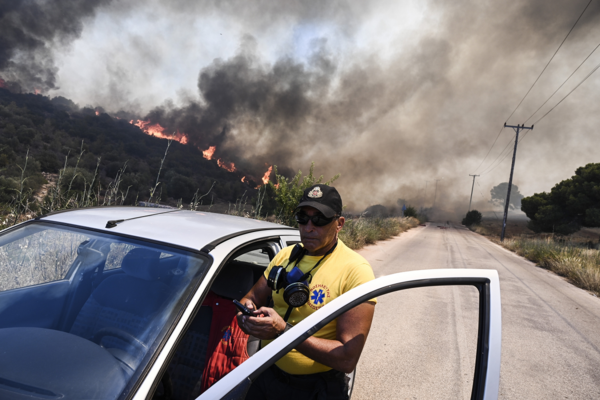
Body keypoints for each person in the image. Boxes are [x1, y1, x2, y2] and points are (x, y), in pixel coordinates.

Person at [237, 184, 377, 399]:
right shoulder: (284, 256)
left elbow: (347, 359)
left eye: (320, 219)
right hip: (267, 376)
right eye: (303, 218)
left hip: (316, 389)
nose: (309, 227)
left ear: (339, 224)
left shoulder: (356, 271)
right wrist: (245, 316)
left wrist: (283, 331)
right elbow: (251, 298)